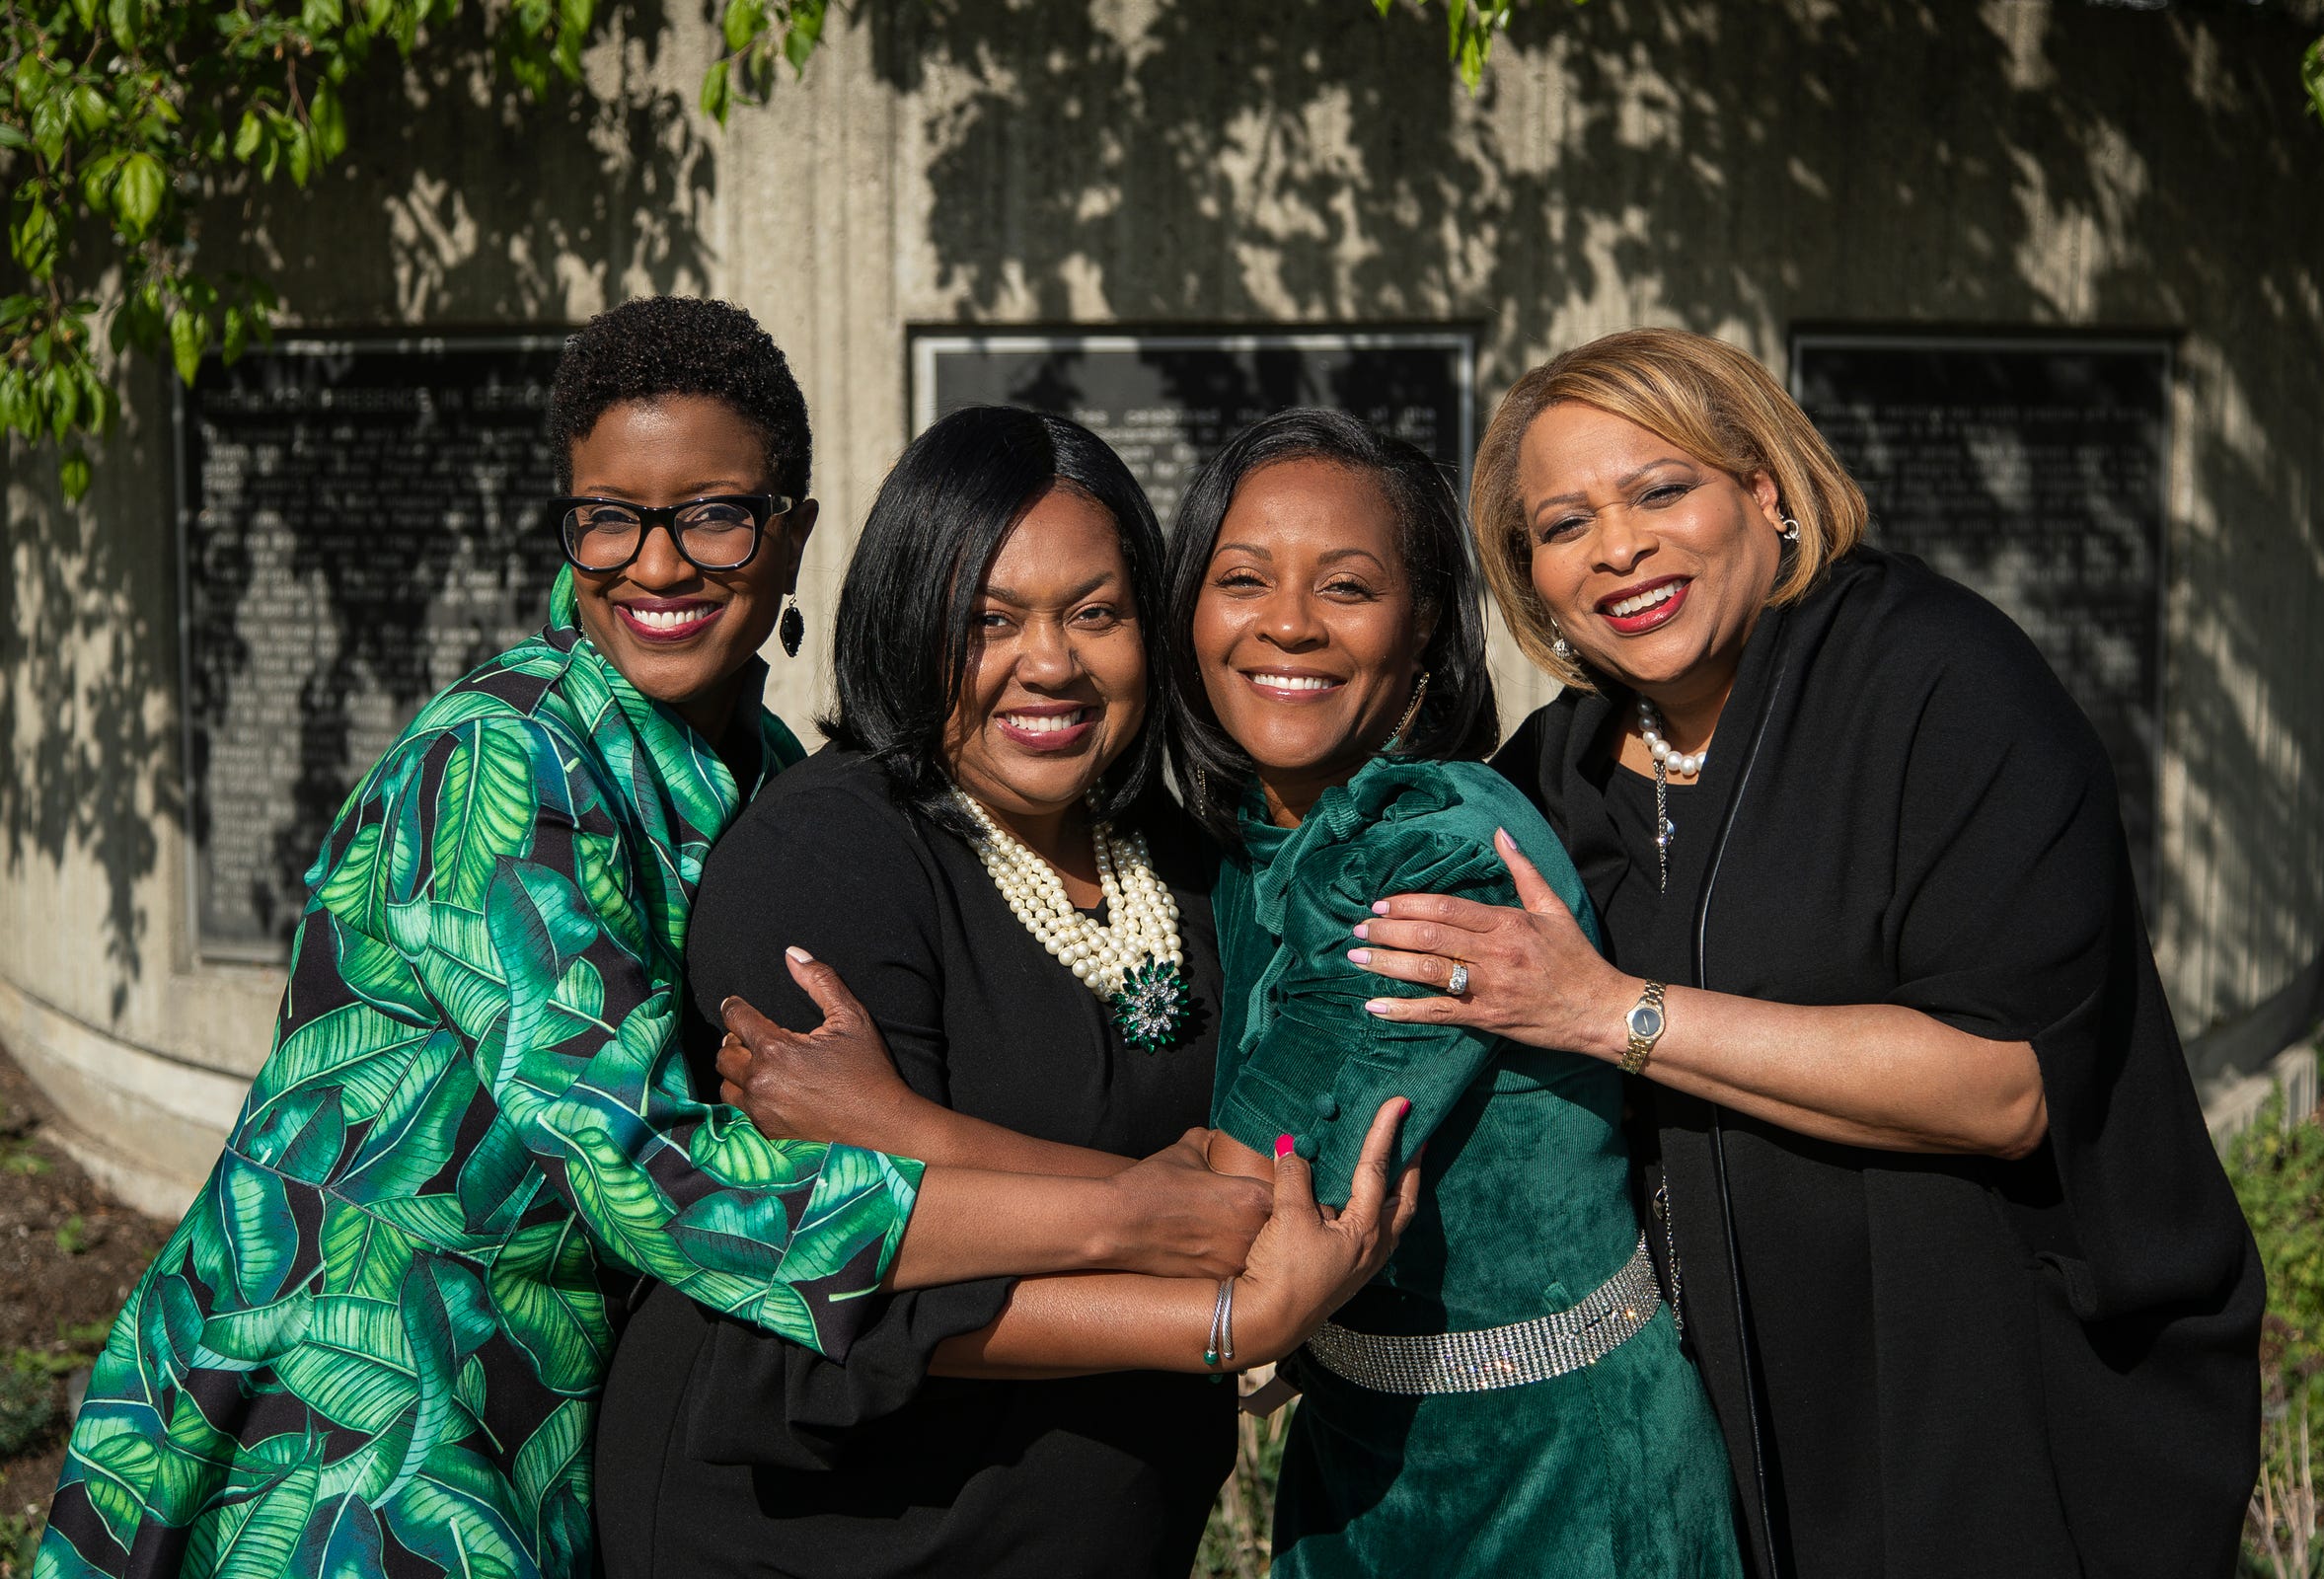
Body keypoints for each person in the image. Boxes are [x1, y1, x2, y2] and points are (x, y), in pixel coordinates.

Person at [37, 301, 1265, 1579]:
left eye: (714, 515)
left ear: (792, 535)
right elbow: (655, 1180)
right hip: (364, 1409)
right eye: (608, 517)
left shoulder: (761, 770)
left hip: (546, 1403)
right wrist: (1125, 1218)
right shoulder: (497, 765)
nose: (658, 565)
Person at [711, 410, 1742, 1577]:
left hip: (1563, 1487)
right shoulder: (1235, 846)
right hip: (1358, 1471)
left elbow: (1252, 1210)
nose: (1288, 622)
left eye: (1347, 587)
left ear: (1423, 640)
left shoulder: (1435, 849)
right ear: (1193, 615)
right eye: (1243, 578)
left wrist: (895, 1130)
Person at [1344, 329, 2266, 1578]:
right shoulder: (1552, 780)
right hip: (1715, 1452)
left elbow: (2004, 1087)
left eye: (1662, 490)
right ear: (1534, 581)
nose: (1618, 546)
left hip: (1984, 1416)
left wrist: (1613, 1011)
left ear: (1765, 493)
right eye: (1563, 525)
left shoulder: (1932, 684)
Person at [593, 406, 1418, 1579]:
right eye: (988, 618)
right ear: (906, 620)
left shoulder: (1187, 871)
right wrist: (1225, 1318)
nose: (1051, 663)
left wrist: (909, 1130)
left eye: (1096, 613)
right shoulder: (827, 861)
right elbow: (862, 1270)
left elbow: (1264, 1197)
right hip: (817, 1532)